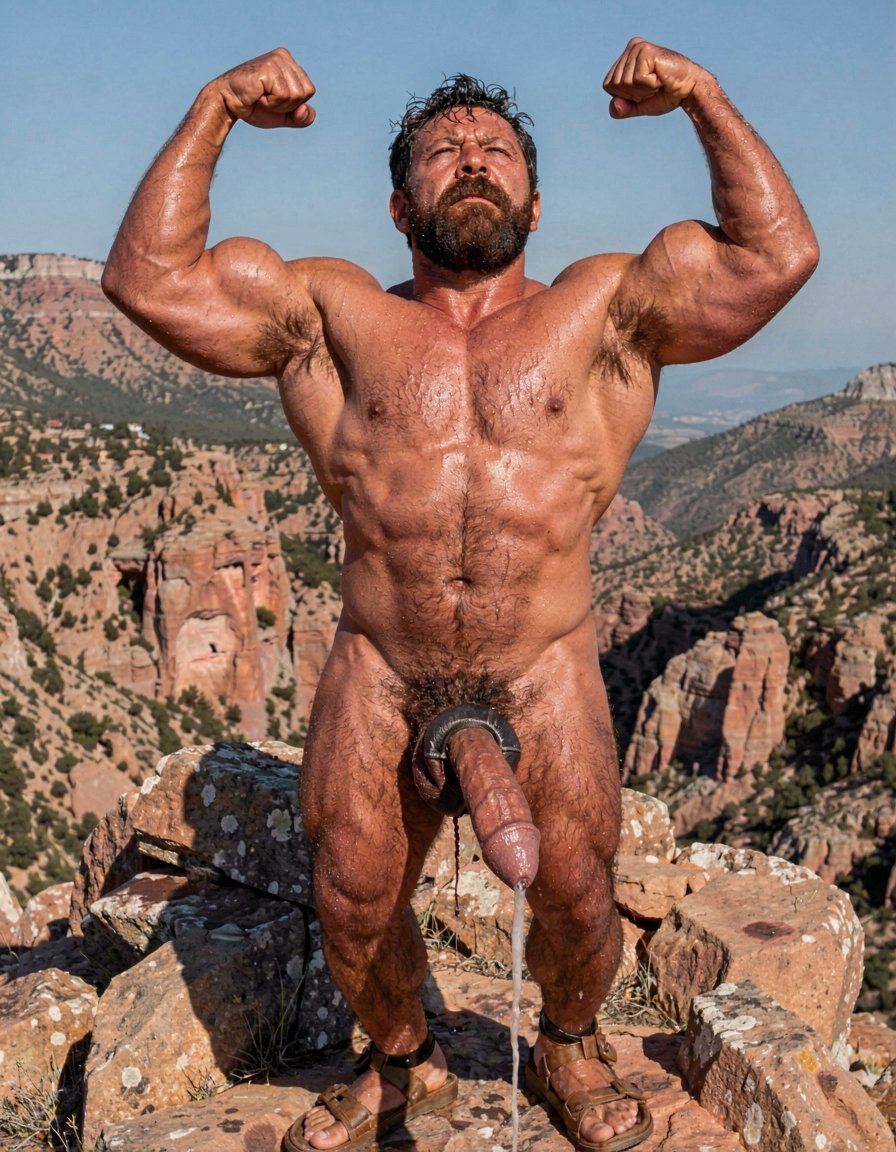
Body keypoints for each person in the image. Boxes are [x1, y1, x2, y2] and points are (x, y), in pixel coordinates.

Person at [102, 36, 818, 1152]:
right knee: (352, 890)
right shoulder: (332, 315)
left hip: (543, 662)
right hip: (380, 662)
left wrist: (702, 96)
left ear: (535, 198)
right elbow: (146, 279)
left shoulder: (605, 310)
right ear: (399, 206)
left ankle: (568, 1045)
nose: (472, 159)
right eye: (443, 151)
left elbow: (772, 256)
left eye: (494, 150)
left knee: (579, 892)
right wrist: (215, 107)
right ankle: (402, 1061)